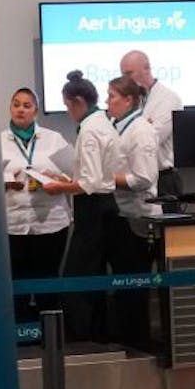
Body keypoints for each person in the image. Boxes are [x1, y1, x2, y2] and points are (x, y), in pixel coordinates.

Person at [42, 70, 119, 343]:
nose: (67, 111)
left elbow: (89, 182)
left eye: (66, 105)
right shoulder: (103, 123)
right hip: (104, 205)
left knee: (77, 275)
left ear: (77, 101)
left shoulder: (89, 131)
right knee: (94, 272)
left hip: (93, 208)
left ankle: (82, 336)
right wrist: (65, 179)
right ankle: (95, 333)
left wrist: (59, 187)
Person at [0, 87, 73, 326]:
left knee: (47, 281)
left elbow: (75, 177)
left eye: (27, 105)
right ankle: (20, 335)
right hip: (13, 224)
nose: (20, 109)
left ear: (36, 111)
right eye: (16, 104)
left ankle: (50, 334)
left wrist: (57, 179)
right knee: (16, 281)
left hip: (51, 222)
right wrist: (5, 183)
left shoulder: (54, 140)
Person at [105, 75, 161, 345]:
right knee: (123, 284)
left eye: (112, 97)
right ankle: (128, 338)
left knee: (135, 285)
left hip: (137, 219)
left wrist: (103, 179)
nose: (107, 102)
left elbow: (143, 178)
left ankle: (140, 341)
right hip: (119, 216)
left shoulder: (141, 131)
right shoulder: (117, 127)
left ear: (128, 100)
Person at [119, 50, 184, 206]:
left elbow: (154, 138)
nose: (125, 80)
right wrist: (144, 126)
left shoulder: (168, 99)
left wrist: (138, 131)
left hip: (163, 180)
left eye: (129, 73)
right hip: (136, 179)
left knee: (167, 230)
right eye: (123, 74)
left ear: (147, 68)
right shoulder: (133, 100)